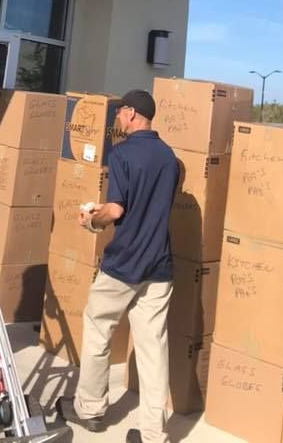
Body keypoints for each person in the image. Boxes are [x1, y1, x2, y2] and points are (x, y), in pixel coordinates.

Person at [57, 89, 179, 443]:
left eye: (118, 115)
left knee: (98, 332)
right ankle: (154, 434)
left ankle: (91, 410)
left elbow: (117, 209)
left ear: (130, 113)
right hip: (159, 265)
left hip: (124, 263)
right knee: (153, 348)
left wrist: (92, 219)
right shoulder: (170, 158)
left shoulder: (123, 153)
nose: (116, 122)